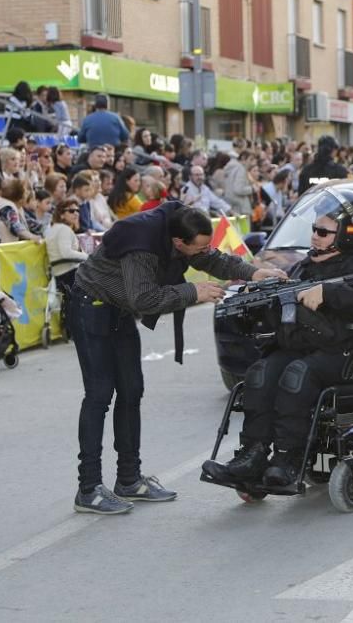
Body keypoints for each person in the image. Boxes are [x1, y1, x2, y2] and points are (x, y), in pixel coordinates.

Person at [69, 202, 288, 514]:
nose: (203, 251)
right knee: (99, 395)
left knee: (131, 391)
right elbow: (144, 299)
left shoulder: (181, 226)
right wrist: (192, 292)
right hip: (91, 308)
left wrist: (252, 272)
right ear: (177, 243)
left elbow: (211, 257)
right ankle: (88, 488)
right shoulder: (141, 246)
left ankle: (129, 479)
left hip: (118, 312)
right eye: (196, 247)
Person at [202, 188, 353, 487]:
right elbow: (284, 314)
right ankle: (252, 455)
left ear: (350, 233)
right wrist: (260, 296)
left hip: (345, 354)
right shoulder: (304, 266)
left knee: (297, 376)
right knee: (260, 374)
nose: (315, 236)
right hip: (302, 348)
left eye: (323, 231)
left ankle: (289, 458)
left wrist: (330, 292)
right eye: (314, 229)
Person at [45, 197, 87, 299]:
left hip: (62, 275)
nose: (76, 213)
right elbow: (66, 253)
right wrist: (88, 257)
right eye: (71, 211)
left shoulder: (56, 228)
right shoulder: (63, 229)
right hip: (69, 275)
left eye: (77, 210)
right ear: (61, 214)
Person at [0, 178, 41, 243]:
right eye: (25, 192)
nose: (28, 194)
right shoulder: (6, 207)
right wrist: (32, 237)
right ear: (20, 197)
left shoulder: (13, 205)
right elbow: (16, 227)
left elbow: (31, 224)